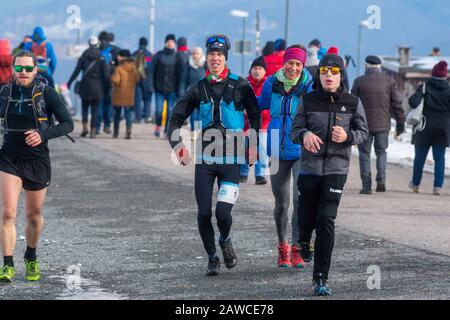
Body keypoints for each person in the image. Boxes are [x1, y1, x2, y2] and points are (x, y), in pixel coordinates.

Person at [167, 34, 260, 277]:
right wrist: (178, 146)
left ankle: (225, 239)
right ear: (206, 59)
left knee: (223, 214)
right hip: (206, 159)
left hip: (231, 159)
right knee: (204, 213)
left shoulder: (240, 85)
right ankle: (212, 257)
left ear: (225, 58)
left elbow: (255, 115)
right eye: (211, 55)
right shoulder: (198, 88)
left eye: (219, 55)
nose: (215, 59)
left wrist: (253, 144)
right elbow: (175, 119)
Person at [290, 53, 368, 296]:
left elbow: (363, 132)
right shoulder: (308, 100)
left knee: (326, 219)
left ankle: (321, 277)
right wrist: (304, 135)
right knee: (306, 219)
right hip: (310, 170)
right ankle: (304, 241)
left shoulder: (353, 102)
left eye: (334, 72)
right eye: (324, 72)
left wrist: (348, 137)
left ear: (341, 75)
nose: (328, 76)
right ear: (319, 75)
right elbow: (294, 131)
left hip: (336, 169)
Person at [0, 50, 74, 283]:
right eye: (19, 68)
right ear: (12, 70)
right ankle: (7, 265)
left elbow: (68, 124)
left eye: (27, 68)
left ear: (35, 70)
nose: (23, 72)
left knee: (34, 215)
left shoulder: (47, 93)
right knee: (9, 212)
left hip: (37, 160)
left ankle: (31, 256)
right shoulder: (4, 92)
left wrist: (43, 135)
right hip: (9, 158)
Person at [258, 45, 314, 268]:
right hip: (275, 151)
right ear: (284, 63)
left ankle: (298, 249)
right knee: (281, 204)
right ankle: (283, 247)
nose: (293, 67)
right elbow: (259, 104)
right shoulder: (272, 83)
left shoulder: (310, 87)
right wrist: (239, 93)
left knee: (300, 202)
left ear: (303, 66)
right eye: (290, 63)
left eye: (298, 64)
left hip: (301, 151)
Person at [351, 55, 405, 194]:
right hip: (383, 125)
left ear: (366, 65)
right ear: (379, 66)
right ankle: (381, 181)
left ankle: (366, 186)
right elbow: (397, 104)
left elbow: (352, 105)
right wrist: (400, 123)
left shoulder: (359, 82)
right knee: (381, 152)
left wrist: (351, 125)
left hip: (364, 126)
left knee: (364, 154)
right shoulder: (389, 81)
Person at [408, 60, 450, 196]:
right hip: (442, 128)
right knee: (440, 158)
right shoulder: (449, 89)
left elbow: (413, 102)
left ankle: (415, 184)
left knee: (419, 157)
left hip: (424, 126)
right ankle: (437, 187)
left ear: (433, 74)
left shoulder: (424, 87)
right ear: (445, 76)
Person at [68, 36, 109, 138]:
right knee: (95, 109)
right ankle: (93, 131)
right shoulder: (101, 56)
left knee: (85, 108)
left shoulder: (84, 55)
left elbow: (77, 71)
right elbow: (106, 74)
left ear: (89, 44)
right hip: (97, 86)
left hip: (85, 85)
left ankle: (85, 128)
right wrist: (108, 86)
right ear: (97, 44)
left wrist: (70, 82)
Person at [240, 56, 269, 185]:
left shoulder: (269, 85)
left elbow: (271, 103)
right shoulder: (244, 84)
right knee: (245, 146)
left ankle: (260, 174)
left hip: (264, 123)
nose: (257, 71)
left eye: (260, 69)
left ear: (265, 71)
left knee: (261, 147)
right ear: (250, 70)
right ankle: (243, 172)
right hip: (246, 124)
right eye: (255, 68)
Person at [150, 34, 179, 138]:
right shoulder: (158, 55)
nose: (170, 43)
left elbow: (180, 74)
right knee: (159, 110)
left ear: (174, 44)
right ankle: (158, 125)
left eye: (172, 42)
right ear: (165, 43)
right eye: (168, 41)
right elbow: (151, 71)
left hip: (172, 89)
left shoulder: (177, 57)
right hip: (159, 89)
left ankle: (167, 129)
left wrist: (179, 89)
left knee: (170, 111)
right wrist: (151, 85)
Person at [111, 49, 139, 139]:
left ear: (123, 57)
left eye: (119, 55)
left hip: (119, 95)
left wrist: (112, 77)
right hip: (129, 95)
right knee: (128, 114)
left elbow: (116, 80)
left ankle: (115, 133)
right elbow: (137, 79)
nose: (118, 57)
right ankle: (128, 130)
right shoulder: (134, 68)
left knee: (117, 114)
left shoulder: (118, 68)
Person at [95, 31, 119, 135]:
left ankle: (97, 127)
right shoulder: (115, 50)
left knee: (99, 103)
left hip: (98, 81)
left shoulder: (97, 50)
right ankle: (107, 125)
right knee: (108, 103)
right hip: (110, 82)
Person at [178, 47, 206, 133]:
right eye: (193, 53)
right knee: (193, 112)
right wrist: (181, 92)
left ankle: (198, 130)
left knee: (201, 113)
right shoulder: (188, 65)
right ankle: (194, 130)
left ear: (201, 54)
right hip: (191, 92)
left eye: (197, 53)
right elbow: (183, 80)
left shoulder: (206, 65)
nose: (195, 55)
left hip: (203, 92)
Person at [133, 37, 153, 124]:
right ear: (146, 44)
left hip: (136, 79)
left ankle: (137, 117)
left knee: (137, 99)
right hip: (147, 79)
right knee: (147, 99)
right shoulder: (149, 55)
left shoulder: (134, 53)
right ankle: (147, 116)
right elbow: (150, 67)